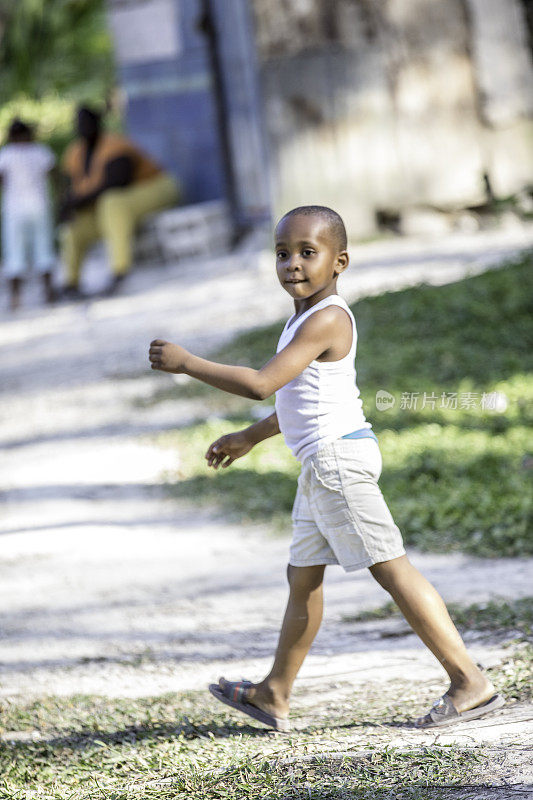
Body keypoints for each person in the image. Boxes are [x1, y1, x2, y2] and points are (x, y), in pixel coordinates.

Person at [148, 205, 504, 732]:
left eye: (307, 253)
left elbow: (261, 383)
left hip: (338, 462)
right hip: (322, 464)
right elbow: (298, 399)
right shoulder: (303, 317)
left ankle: (469, 679)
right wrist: (250, 436)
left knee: (391, 568)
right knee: (303, 578)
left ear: (339, 262)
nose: (292, 264)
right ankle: (274, 693)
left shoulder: (329, 317)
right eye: (282, 253)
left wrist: (188, 363)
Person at [60, 105, 179, 298]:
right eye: (79, 123)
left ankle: (120, 272)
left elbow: (116, 183)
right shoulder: (74, 153)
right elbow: (71, 189)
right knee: (74, 223)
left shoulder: (115, 146)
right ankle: (70, 283)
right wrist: (68, 206)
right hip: (110, 206)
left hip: (155, 188)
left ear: (97, 123)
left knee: (112, 202)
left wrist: (77, 201)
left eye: (86, 122)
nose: (83, 127)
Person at [0, 118, 56, 310]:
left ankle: (15, 298)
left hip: (15, 211)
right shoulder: (40, 151)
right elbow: (53, 174)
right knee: (44, 249)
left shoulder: (6, 154)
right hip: (39, 207)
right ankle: (49, 293)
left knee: (14, 253)